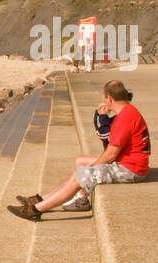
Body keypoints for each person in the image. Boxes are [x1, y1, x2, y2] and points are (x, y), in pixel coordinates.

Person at [8, 80, 149, 221]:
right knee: (81, 162)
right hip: (128, 163)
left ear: (109, 99)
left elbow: (111, 153)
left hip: (130, 170)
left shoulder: (125, 118)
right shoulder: (128, 111)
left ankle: (34, 210)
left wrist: (92, 168)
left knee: (81, 174)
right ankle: (43, 200)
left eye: (104, 98)